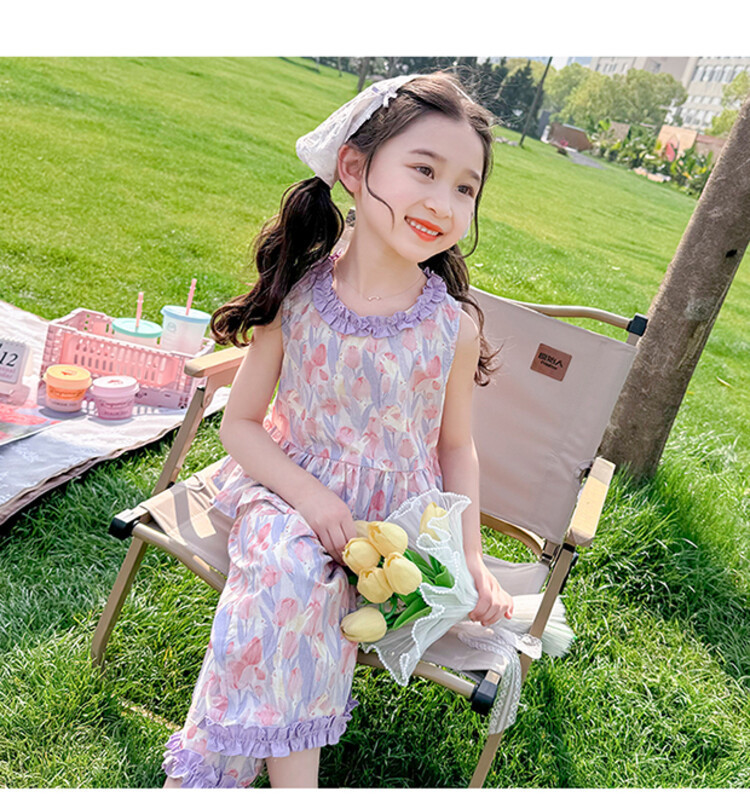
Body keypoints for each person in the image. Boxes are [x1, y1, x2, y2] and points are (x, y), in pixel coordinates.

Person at [161, 71, 514, 790]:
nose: (443, 203)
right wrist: (313, 499)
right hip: (286, 490)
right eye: (424, 170)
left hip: (395, 526)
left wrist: (471, 556)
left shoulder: (452, 328)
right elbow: (242, 425)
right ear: (354, 167)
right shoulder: (299, 293)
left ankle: (204, 778)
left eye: (465, 188)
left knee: (301, 593)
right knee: (293, 572)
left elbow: (455, 446)